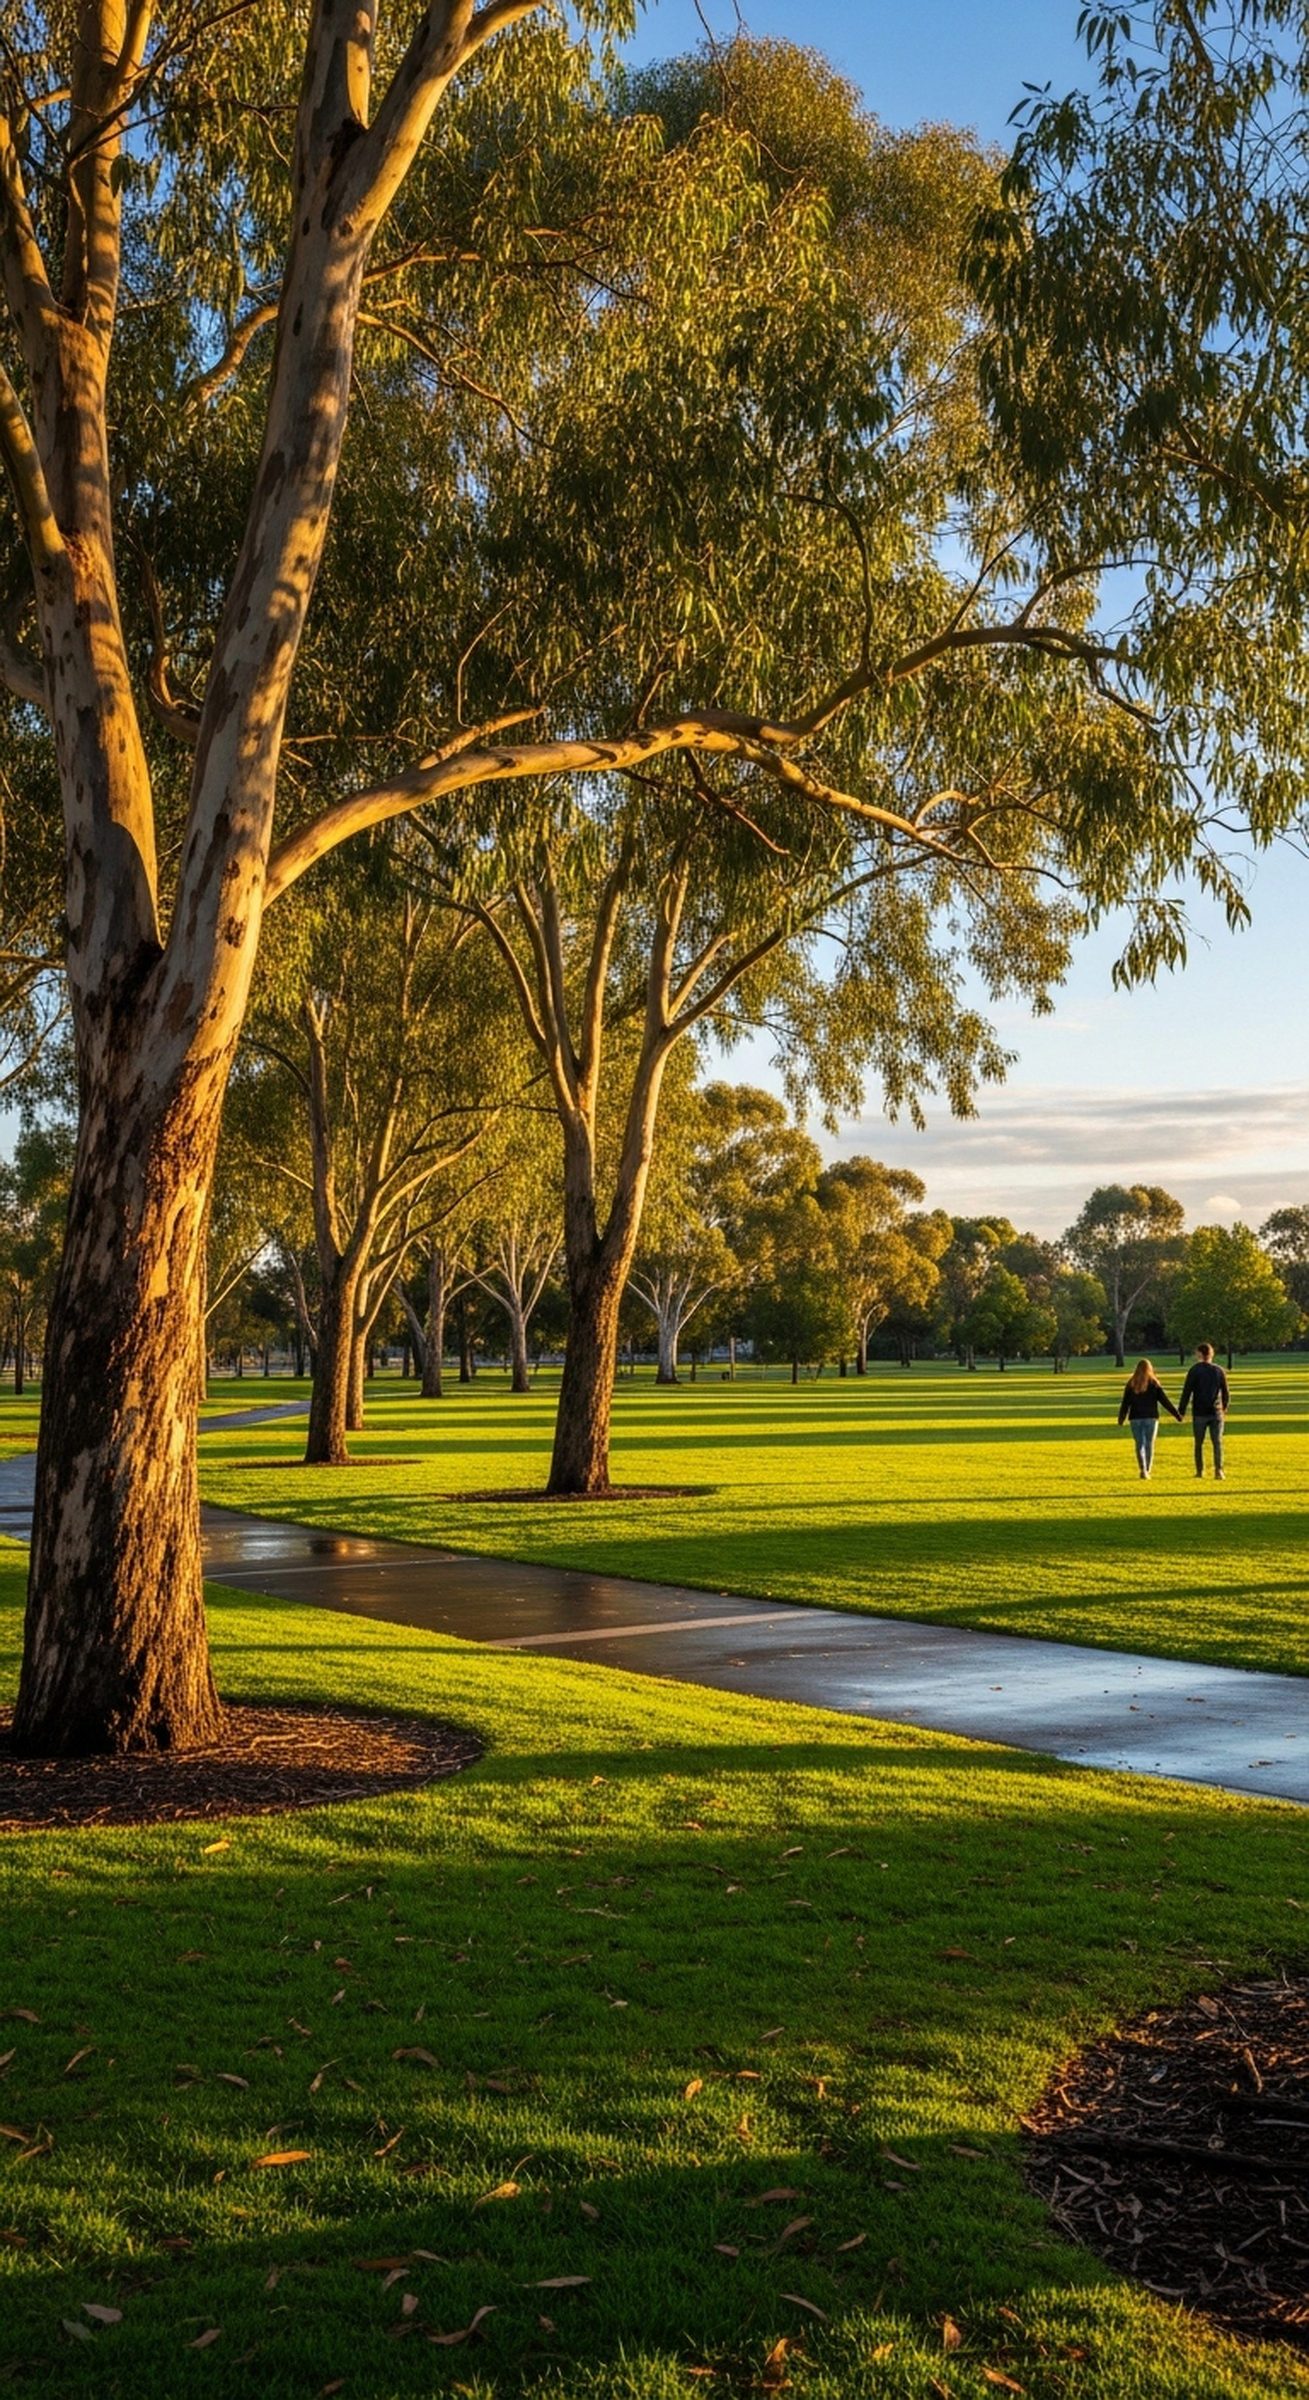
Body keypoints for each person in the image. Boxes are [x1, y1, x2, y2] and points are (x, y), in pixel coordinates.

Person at [1116, 1357, 1182, 1479]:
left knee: (1139, 1444)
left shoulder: (1131, 1384)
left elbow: (1125, 1403)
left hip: (1135, 1418)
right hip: (1151, 1418)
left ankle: (1142, 1469)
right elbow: (1165, 1401)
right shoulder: (1154, 1383)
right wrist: (1177, 1415)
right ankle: (1147, 1470)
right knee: (1149, 1444)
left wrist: (1121, 1418)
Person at [1178, 1342, 1231, 1480]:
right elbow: (1225, 1392)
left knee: (1199, 1443)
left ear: (1200, 1354)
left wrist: (1181, 1411)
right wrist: (1224, 1407)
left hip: (1199, 1412)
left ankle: (1200, 1470)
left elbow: (1187, 1392)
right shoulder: (1219, 1371)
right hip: (1216, 1412)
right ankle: (1219, 1471)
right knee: (1217, 1442)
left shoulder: (1194, 1370)